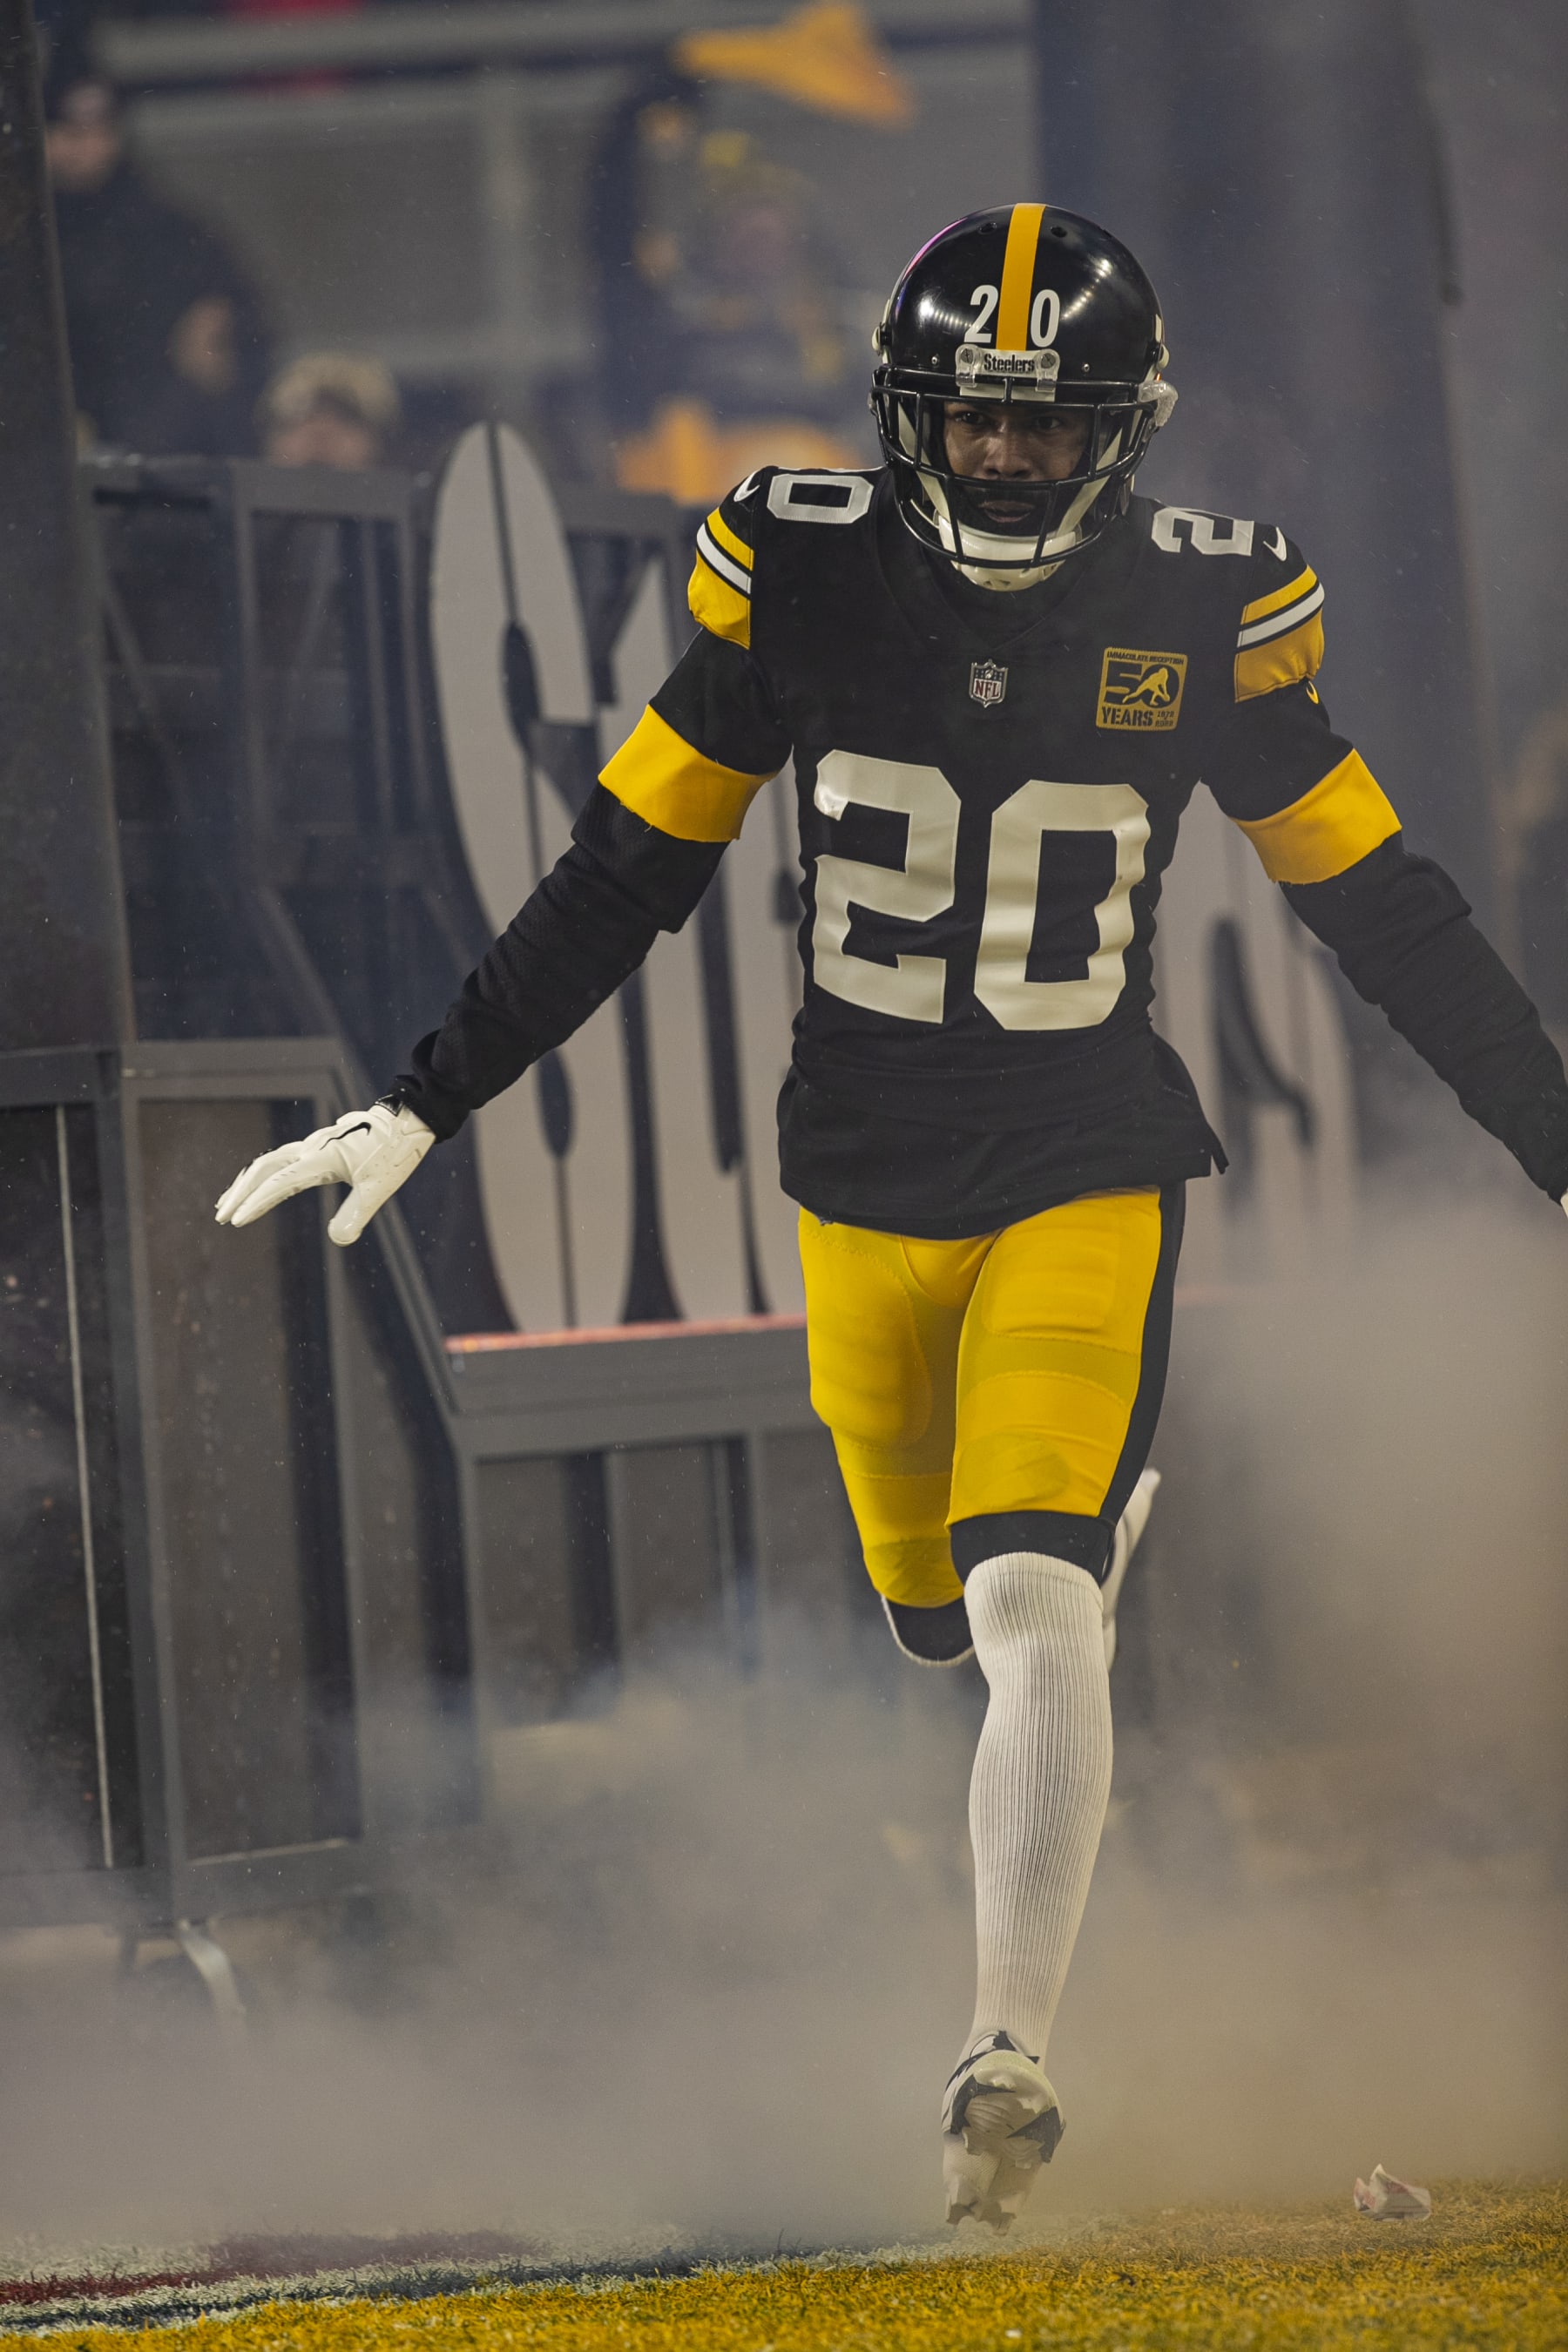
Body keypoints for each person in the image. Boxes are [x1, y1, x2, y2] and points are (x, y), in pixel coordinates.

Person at [215, 206, 1568, 2230]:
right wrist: (426, 1096)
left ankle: (1001, 2053)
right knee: (934, 1609)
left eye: (1048, 432)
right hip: (854, 1169)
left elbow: (1382, 905)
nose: (1008, 463)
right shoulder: (806, 577)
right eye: (975, 425)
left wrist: (1552, 1132)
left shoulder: (1204, 610)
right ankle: (1066, 1528)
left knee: (1033, 1604)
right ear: (907, 416)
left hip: (1085, 1150)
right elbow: (623, 870)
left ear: (1125, 434)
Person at [47, 72, 271, 457]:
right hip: (46, 434)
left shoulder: (167, 227)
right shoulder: (22, 237)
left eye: (102, 133)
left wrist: (223, 331)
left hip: (154, 445)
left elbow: (249, 323)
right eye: (73, 135)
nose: (90, 150)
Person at [259, 352, 402, 471]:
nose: (321, 431)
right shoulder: (237, 503)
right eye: (302, 415)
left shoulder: (409, 504)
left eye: (346, 417)